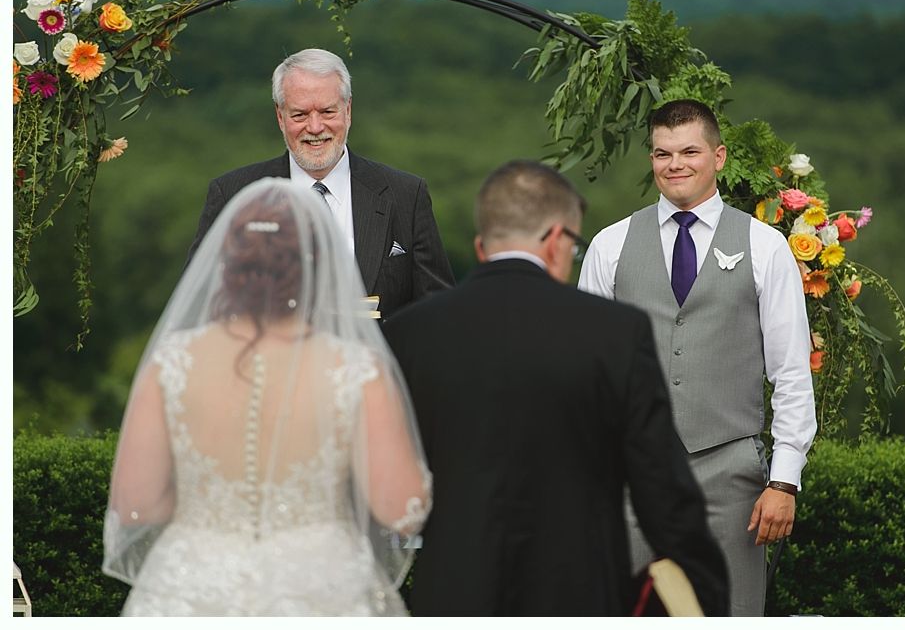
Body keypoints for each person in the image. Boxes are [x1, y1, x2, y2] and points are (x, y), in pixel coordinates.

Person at [383, 160, 729, 616]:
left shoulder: (409, 333)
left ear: (481, 247)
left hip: (453, 593)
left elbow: (388, 486)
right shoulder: (616, 332)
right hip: (577, 593)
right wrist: (706, 593)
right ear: (553, 240)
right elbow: (662, 490)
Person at [103, 179, 432, 615]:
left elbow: (136, 504)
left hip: (191, 587)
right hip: (320, 584)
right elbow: (400, 509)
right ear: (317, 263)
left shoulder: (172, 362)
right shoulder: (355, 369)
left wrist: (207, 504)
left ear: (228, 262)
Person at [578, 99, 818, 616]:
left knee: (730, 613)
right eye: (662, 153)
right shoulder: (610, 245)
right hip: (630, 471)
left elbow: (791, 370)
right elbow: (587, 375)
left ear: (719, 156)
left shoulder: (766, 245)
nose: (675, 164)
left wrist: (784, 479)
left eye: (690, 151)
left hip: (730, 469)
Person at [186, 48, 454, 320]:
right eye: (300, 115)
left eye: (327, 111)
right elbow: (198, 305)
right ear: (280, 117)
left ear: (348, 110)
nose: (315, 128)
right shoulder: (233, 196)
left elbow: (438, 312)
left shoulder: (406, 195)